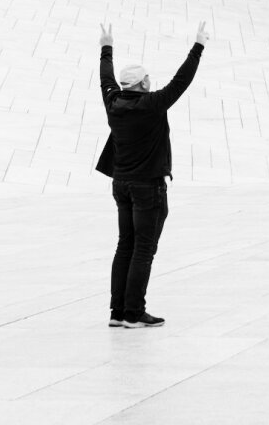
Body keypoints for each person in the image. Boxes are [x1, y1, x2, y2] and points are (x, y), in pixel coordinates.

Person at [96, 20, 209, 328]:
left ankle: (117, 312)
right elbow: (181, 81)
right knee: (143, 250)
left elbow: (105, 78)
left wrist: (106, 47)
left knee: (125, 246)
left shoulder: (113, 102)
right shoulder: (152, 104)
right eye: (147, 78)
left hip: (121, 185)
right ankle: (134, 313)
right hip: (148, 187)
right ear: (143, 84)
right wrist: (198, 46)